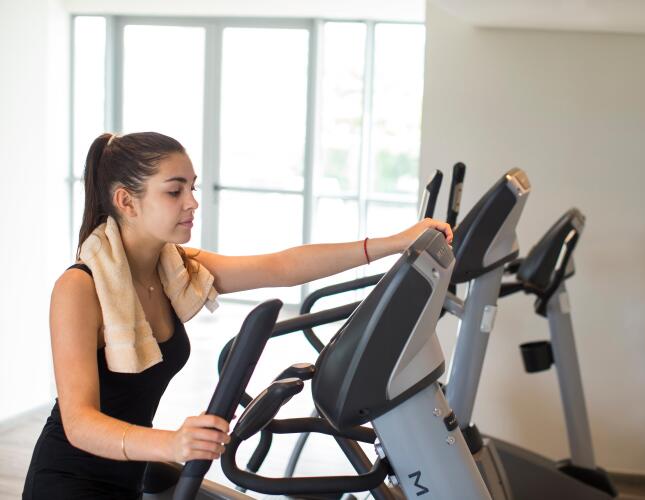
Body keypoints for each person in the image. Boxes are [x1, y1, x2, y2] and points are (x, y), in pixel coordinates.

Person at [22, 131, 453, 499]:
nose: (192, 202)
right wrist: (172, 444)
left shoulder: (175, 269)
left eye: (192, 188)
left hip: (129, 477)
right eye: (174, 191)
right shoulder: (79, 288)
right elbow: (79, 424)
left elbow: (281, 267)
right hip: (67, 482)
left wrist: (393, 243)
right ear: (126, 201)